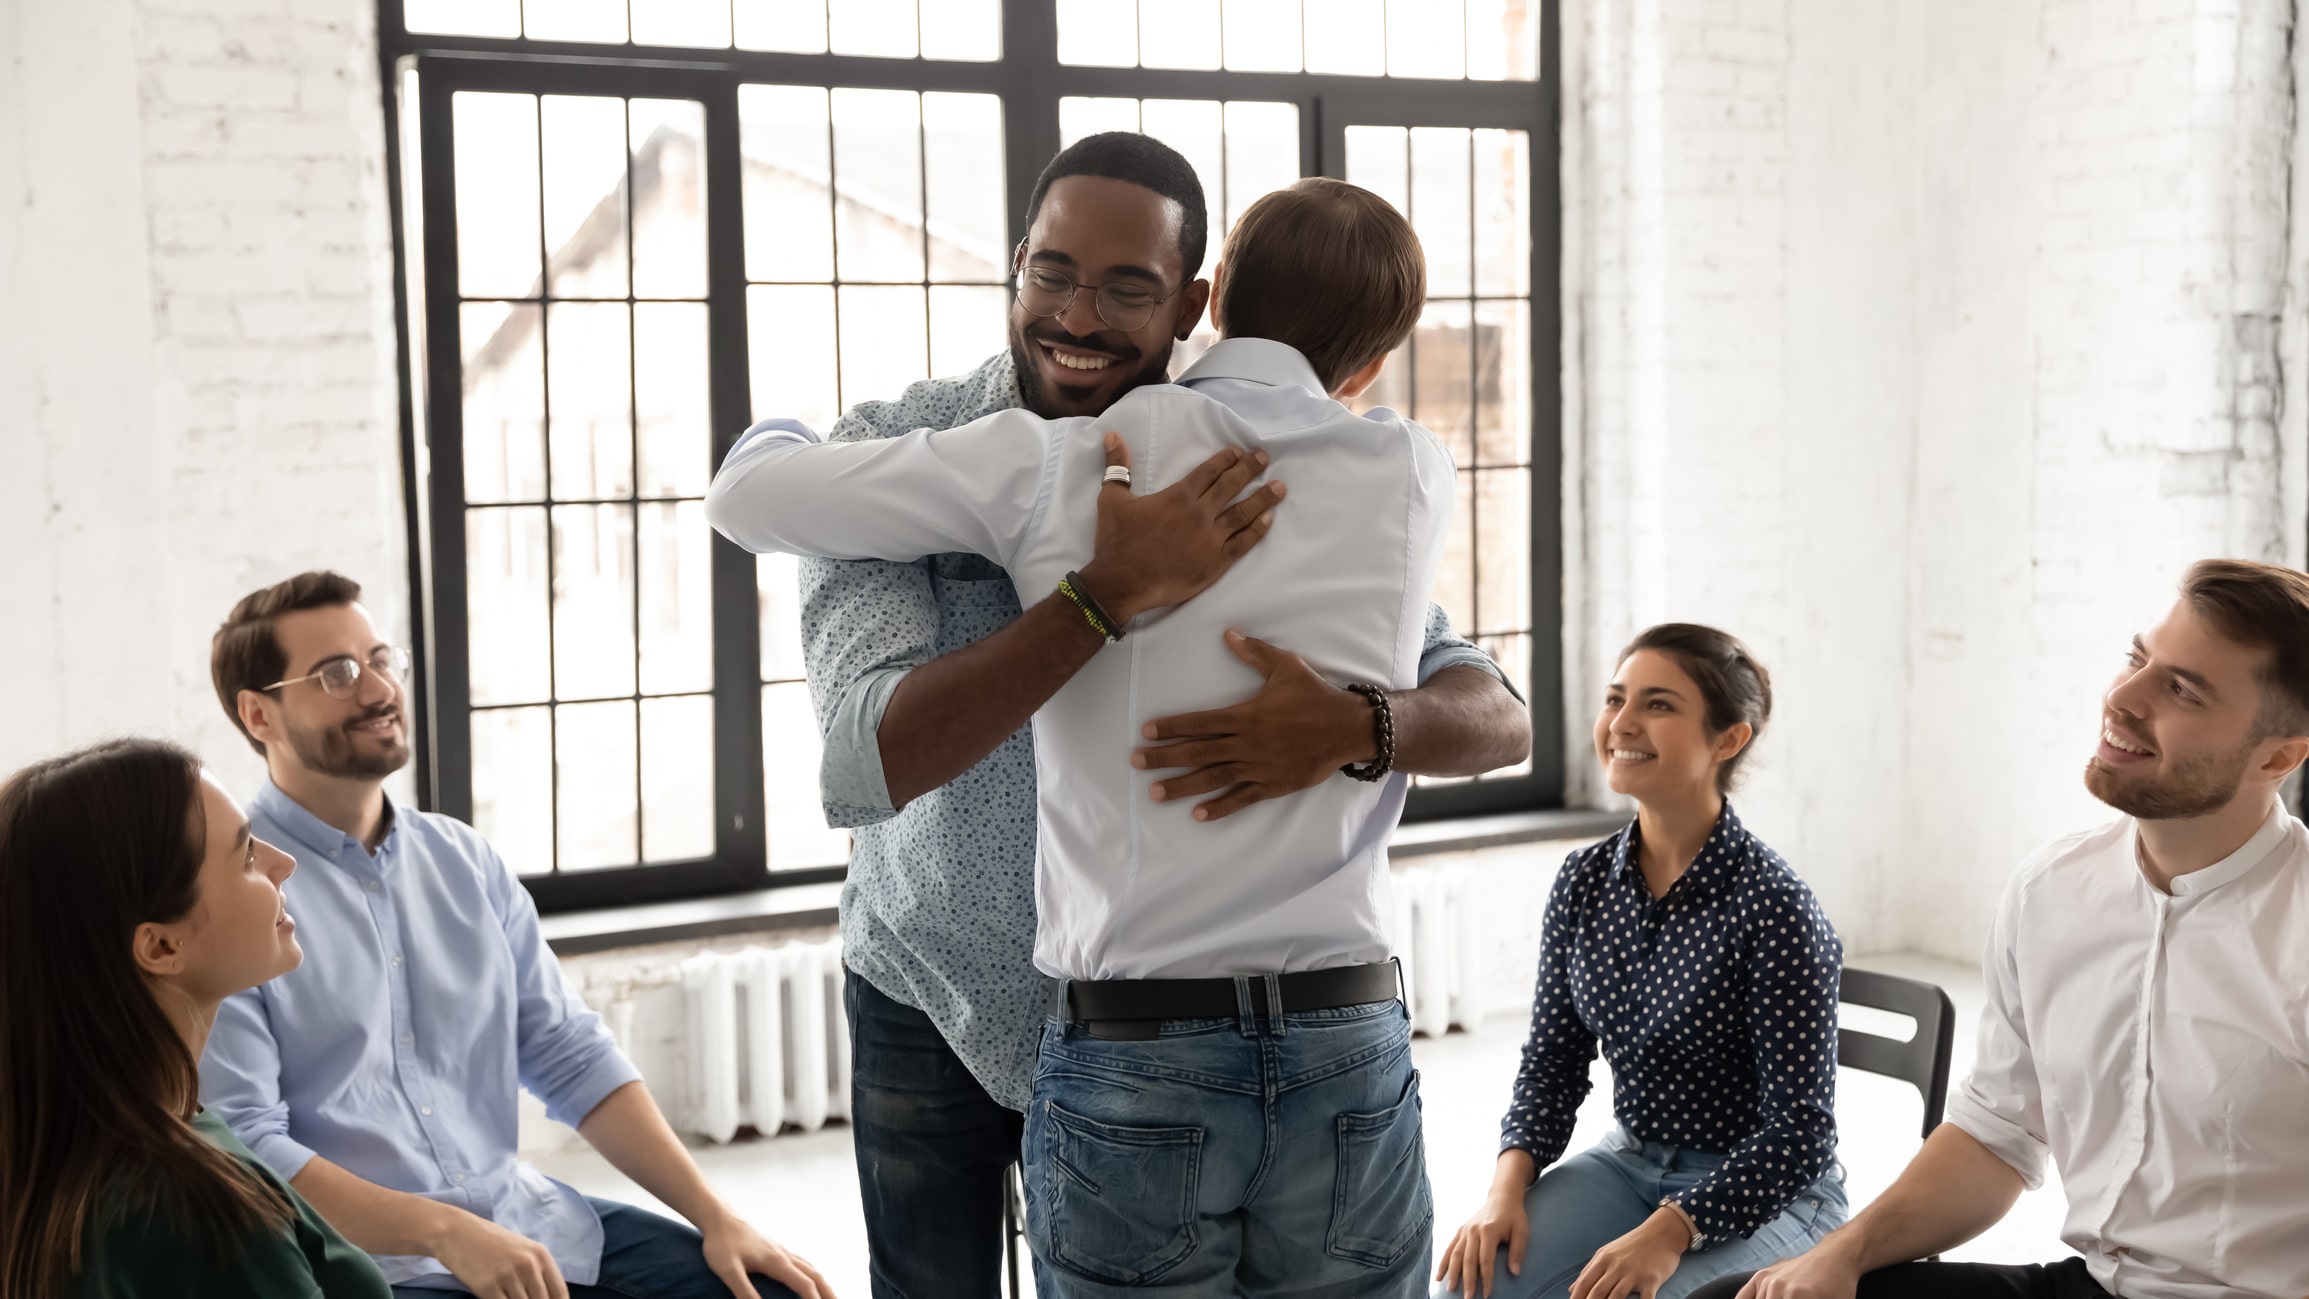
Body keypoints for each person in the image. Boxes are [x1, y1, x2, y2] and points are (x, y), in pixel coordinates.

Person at [746, 132, 1531, 1297]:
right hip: (939, 987)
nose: (1079, 314)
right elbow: (873, 756)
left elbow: (1490, 711)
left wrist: (1359, 726)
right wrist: (1101, 596)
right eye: (1053, 272)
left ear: (1196, 306)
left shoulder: (1261, 472)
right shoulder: (932, 452)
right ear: (1014, 265)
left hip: (1134, 1032)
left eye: (1128, 288)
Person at [196, 572, 834, 1299]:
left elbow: (567, 1052)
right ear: (259, 714)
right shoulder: (237, 894)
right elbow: (247, 1141)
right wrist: (441, 1229)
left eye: (380, 660)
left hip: (528, 1222)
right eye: (337, 674)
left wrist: (716, 1215)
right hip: (378, 1266)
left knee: (768, 1291)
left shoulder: (465, 860)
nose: (377, 690)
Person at [1694, 559, 2309, 1299]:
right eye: (2136, 659)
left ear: (2276, 756)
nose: (2120, 697)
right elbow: (1995, 1134)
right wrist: (1843, 1251)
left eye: (2179, 689)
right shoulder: (2050, 890)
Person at [1434, 625, 1846, 1299]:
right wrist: (1502, 1191)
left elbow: (1799, 1133)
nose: (1621, 723)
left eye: (1657, 704)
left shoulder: (1775, 908)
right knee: (1467, 1285)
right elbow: (1552, 1060)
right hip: (1628, 1163)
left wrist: (1670, 1230)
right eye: (1615, 699)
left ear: (1727, 739)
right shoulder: (1583, 880)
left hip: (1772, 1194)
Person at [0, 737, 392, 1299]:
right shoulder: (199, 1214)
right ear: (160, 947)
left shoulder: (60, 1151)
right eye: (249, 857)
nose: (284, 863)